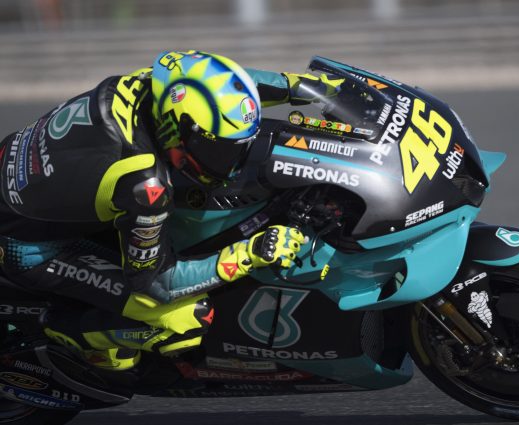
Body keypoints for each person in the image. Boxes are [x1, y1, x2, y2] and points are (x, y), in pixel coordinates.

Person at [0, 50, 343, 370]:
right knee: (186, 319)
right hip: (28, 248)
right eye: (217, 152)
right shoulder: (144, 185)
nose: (231, 166)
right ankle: (66, 330)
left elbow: (225, 85)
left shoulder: (152, 84)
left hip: (17, 167)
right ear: (175, 128)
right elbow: (156, 282)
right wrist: (250, 253)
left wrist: (304, 87)